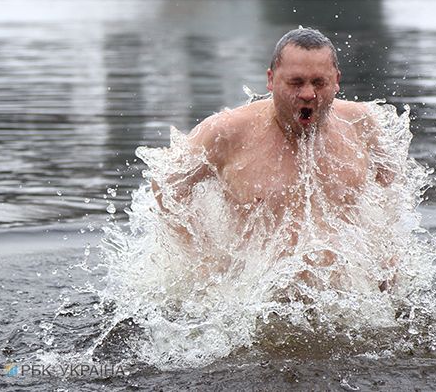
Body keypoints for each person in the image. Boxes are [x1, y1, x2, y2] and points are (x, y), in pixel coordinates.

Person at [150, 27, 396, 287]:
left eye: (319, 83)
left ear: (336, 80)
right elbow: (167, 185)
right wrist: (203, 260)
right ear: (271, 80)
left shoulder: (359, 122)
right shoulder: (225, 132)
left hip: (343, 293)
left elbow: (391, 185)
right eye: (296, 82)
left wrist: (386, 253)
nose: (308, 94)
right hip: (262, 295)